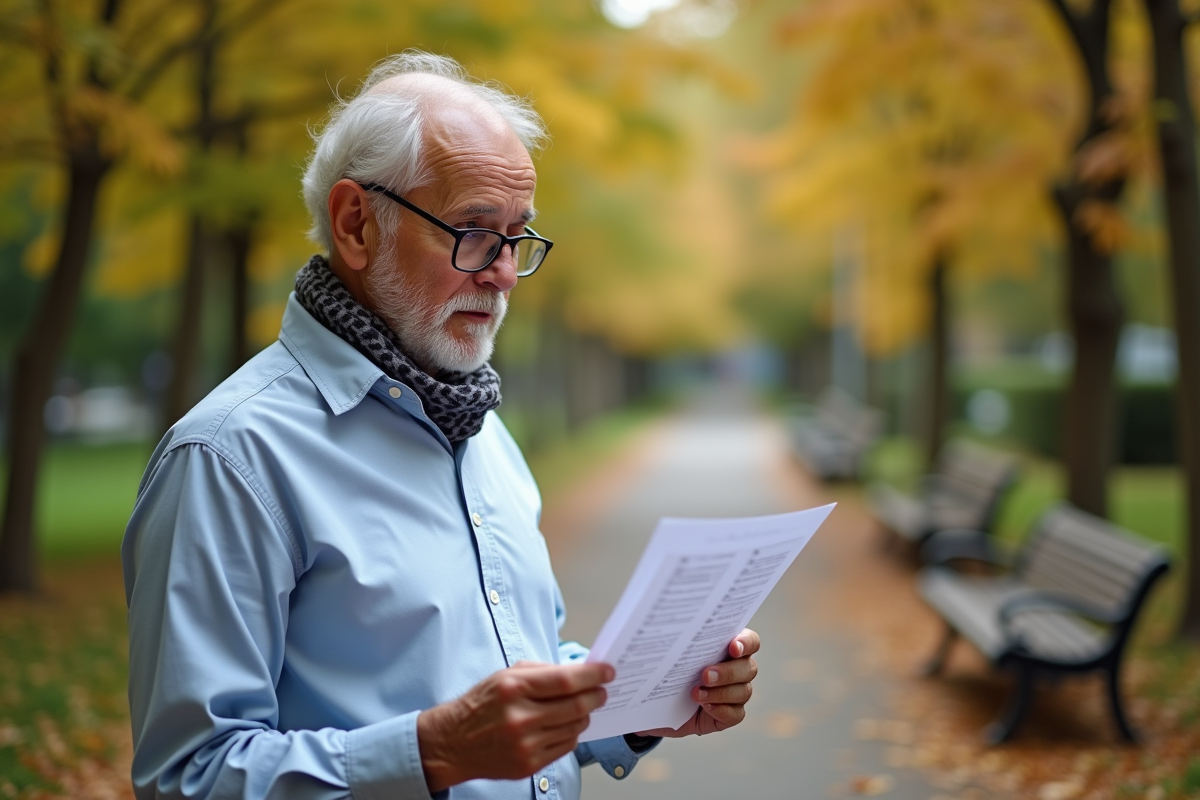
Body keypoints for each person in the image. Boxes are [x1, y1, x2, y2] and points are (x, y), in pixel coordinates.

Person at [122, 51, 760, 800]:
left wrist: (649, 701)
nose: (501, 274)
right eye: (474, 231)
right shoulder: (230, 458)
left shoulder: (482, 429)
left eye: (517, 238)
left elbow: (514, 667)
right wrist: (431, 753)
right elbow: (185, 777)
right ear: (357, 224)